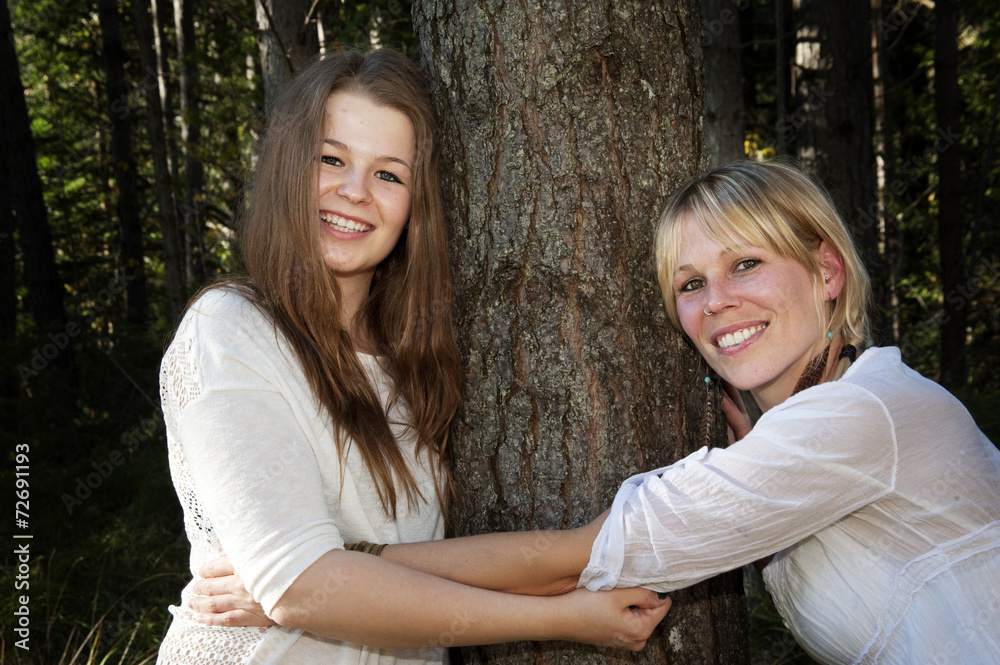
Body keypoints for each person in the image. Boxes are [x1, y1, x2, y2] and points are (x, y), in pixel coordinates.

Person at [194, 160, 1000, 664]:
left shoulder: (864, 417)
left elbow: (579, 556)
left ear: (826, 270)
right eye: (690, 284)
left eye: (747, 264)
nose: (719, 304)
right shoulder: (813, 427)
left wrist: (315, 580)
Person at [156, 48, 670, 664]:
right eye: (331, 159)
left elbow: (337, 579)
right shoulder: (230, 331)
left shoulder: (414, 361)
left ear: (414, 203)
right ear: (291, 166)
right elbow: (304, 587)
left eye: (389, 174)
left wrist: (580, 553)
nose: (354, 192)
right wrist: (560, 614)